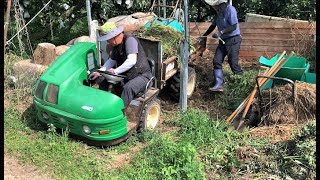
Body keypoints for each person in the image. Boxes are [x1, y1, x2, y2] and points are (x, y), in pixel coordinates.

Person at [90, 22, 152, 107]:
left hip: (142, 76)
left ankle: (120, 112)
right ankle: (101, 106)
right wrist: (100, 72)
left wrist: (115, 71)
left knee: (128, 88)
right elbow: (111, 60)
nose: (108, 41)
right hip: (126, 75)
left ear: (115, 36)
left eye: (109, 39)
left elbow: (132, 60)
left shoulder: (130, 40)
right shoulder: (116, 45)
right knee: (103, 81)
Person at [202, 1, 243, 92]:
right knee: (216, 61)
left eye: (215, 6)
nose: (214, 8)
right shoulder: (218, 14)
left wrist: (221, 32)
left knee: (233, 63)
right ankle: (219, 84)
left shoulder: (230, 9)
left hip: (233, 40)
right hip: (223, 41)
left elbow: (234, 26)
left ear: (221, 4)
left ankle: (242, 81)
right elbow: (212, 26)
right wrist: (204, 35)